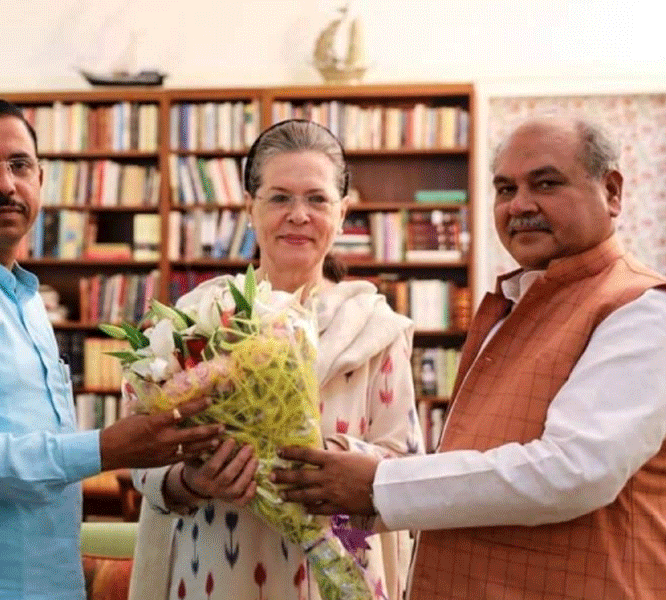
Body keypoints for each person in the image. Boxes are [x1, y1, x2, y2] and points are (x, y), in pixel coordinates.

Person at [274, 115, 666, 600]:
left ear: (611, 191)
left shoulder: (643, 309)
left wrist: (380, 483)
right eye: (505, 189)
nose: (520, 205)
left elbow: (575, 471)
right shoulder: (514, 305)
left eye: (545, 183)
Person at [0, 96, 223, 600]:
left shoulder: (22, 293)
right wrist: (107, 447)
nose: (5, 184)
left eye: (20, 165)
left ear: (40, 180)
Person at [129, 119, 423, 600]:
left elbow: (407, 467)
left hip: (339, 568)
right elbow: (142, 454)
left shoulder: (377, 327)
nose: (298, 215)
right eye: (280, 198)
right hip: (217, 567)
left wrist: (327, 459)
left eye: (317, 199)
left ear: (343, 212)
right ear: (250, 208)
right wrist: (191, 480)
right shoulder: (196, 318)